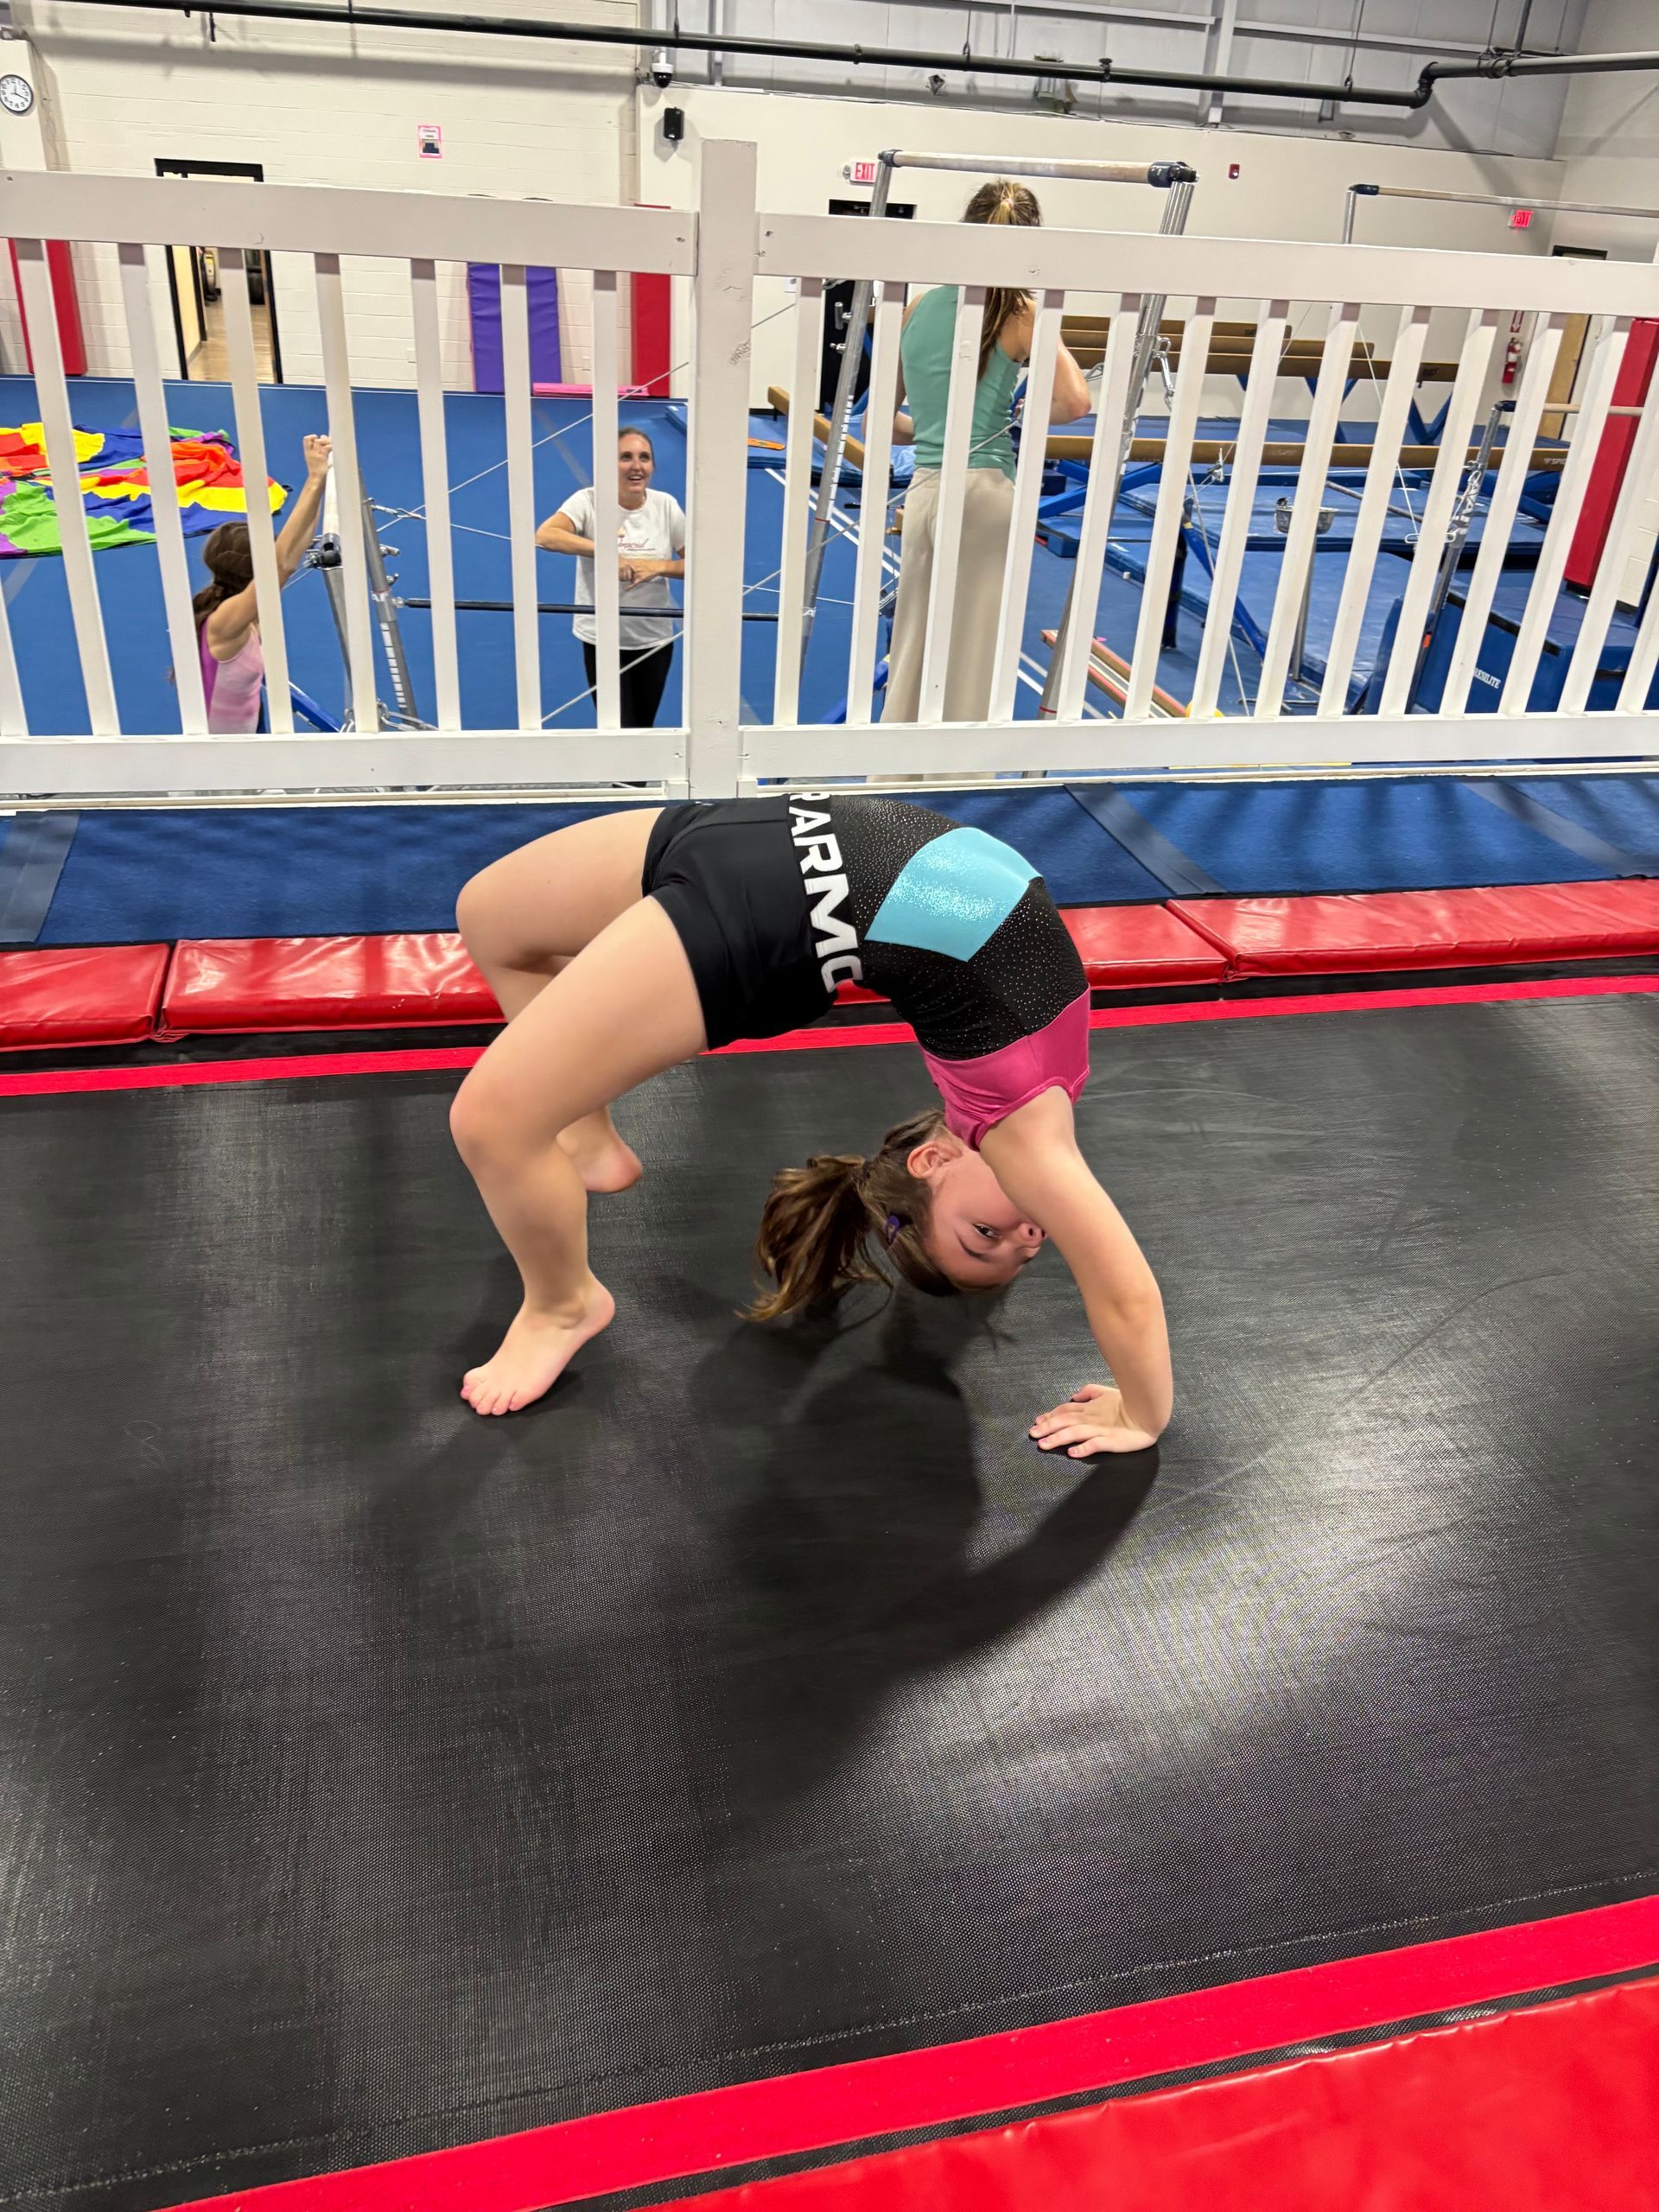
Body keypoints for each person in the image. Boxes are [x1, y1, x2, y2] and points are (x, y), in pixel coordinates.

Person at [449, 794, 1173, 1459]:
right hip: (782, 832)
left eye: (987, 1239)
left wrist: (1141, 1417)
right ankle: (586, 1135)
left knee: (492, 1125)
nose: (1029, 1232)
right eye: (1019, 1245)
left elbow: (1123, 1293)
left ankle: (562, 1304)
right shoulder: (1032, 1117)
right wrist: (1144, 1412)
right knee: (491, 917)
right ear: (931, 1163)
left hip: (784, 915)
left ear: (928, 1166)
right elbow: (1120, 1287)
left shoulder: (1023, 1140)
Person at [884, 181, 1090, 724]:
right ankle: (957, 777)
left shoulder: (921, 306)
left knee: (915, 639)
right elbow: (1074, 402)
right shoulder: (1019, 310)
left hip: (926, 488)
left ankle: (894, 768)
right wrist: (1008, 417)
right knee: (972, 647)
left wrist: (938, 429)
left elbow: (888, 421)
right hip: (986, 490)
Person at [536, 427, 686, 729]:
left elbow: (701, 563)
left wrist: (657, 566)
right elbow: (546, 535)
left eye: (644, 458)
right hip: (602, 638)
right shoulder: (588, 501)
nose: (636, 466)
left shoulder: (665, 505)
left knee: (642, 727)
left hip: (653, 639)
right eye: (625, 457)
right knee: (617, 728)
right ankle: (623, 779)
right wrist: (607, 554)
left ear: (652, 466)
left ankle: (634, 779)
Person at [193, 433, 332, 734]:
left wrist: (320, 484)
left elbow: (292, 554)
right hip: (220, 755)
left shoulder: (243, 606)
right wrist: (313, 480)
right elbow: (280, 565)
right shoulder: (226, 619)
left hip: (249, 729)